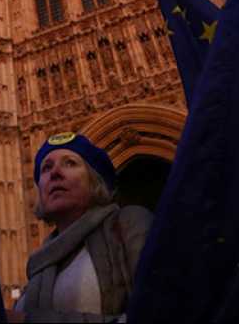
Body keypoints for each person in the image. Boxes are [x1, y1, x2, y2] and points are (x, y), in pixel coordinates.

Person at [13, 133, 153, 323]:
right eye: (46, 168)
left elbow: (163, 311)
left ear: (95, 180)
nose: (55, 172)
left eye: (70, 163)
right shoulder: (39, 263)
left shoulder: (128, 225)